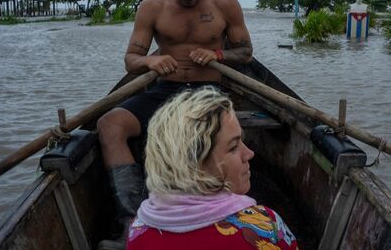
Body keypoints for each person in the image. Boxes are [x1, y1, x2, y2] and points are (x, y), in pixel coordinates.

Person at [96, 0, 254, 238]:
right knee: (110, 125)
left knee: (201, 136)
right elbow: (131, 59)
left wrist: (217, 53)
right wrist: (150, 61)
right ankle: (132, 217)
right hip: (165, 90)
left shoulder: (225, 5)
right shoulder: (152, 8)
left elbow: (245, 52)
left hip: (208, 93)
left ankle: (221, 210)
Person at [126, 87, 298, 250]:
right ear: (195, 165)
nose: (249, 153)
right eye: (233, 147)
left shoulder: (138, 230)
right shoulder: (265, 226)